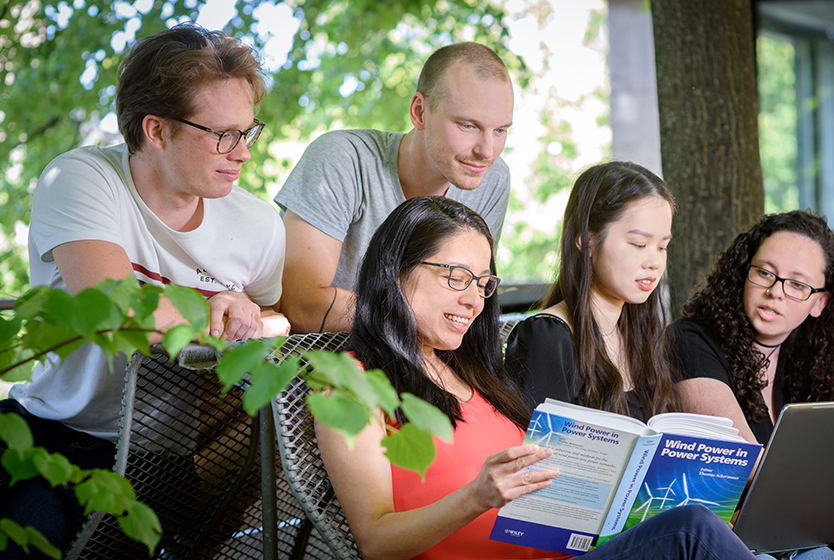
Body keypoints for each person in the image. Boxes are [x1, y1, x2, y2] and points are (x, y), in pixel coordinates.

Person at [0, 24, 290, 558]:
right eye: (222, 135)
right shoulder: (82, 177)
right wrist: (219, 307)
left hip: (148, 460)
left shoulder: (257, 225)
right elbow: (116, 308)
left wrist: (252, 313)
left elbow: (280, 318)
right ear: (157, 131)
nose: (243, 154)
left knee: (30, 535)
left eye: (247, 132)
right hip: (44, 423)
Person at [317, 195, 761, 560]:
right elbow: (375, 542)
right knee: (693, 532)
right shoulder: (349, 384)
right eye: (457, 277)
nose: (474, 300)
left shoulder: (475, 377)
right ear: (395, 269)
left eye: (483, 283)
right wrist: (476, 497)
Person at [670, 211, 834, 560]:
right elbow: (750, 469)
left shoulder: (816, 352)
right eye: (764, 273)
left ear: (819, 302)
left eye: (798, 285)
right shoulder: (690, 340)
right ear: (743, 274)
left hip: (808, 525)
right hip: (734, 535)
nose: (776, 292)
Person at [275, 42, 514, 333]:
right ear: (419, 112)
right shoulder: (343, 159)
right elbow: (302, 306)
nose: (487, 151)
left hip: (416, 366)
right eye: (468, 126)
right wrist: (425, 318)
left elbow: (470, 298)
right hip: (317, 366)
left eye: (500, 130)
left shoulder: (492, 179)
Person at [504, 161, 680, 422]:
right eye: (639, 244)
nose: (653, 262)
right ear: (586, 240)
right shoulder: (547, 338)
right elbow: (539, 456)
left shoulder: (642, 335)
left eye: (662, 247)